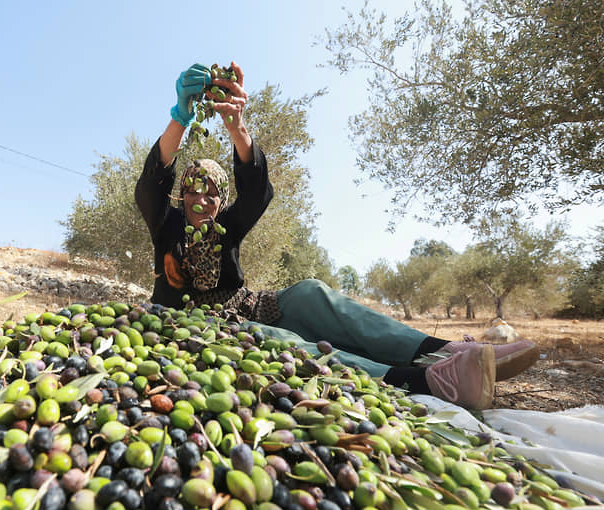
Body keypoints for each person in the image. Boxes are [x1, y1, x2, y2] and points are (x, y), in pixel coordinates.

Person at [134, 62, 539, 410]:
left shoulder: (229, 225)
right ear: (180, 194)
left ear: (222, 201)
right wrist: (181, 117)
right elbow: (151, 185)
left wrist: (238, 128)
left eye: (210, 192)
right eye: (191, 190)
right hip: (200, 326)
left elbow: (256, 193)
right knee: (274, 339)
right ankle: (426, 381)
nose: (199, 199)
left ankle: (446, 352)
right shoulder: (166, 224)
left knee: (312, 291)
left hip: (246, 305)